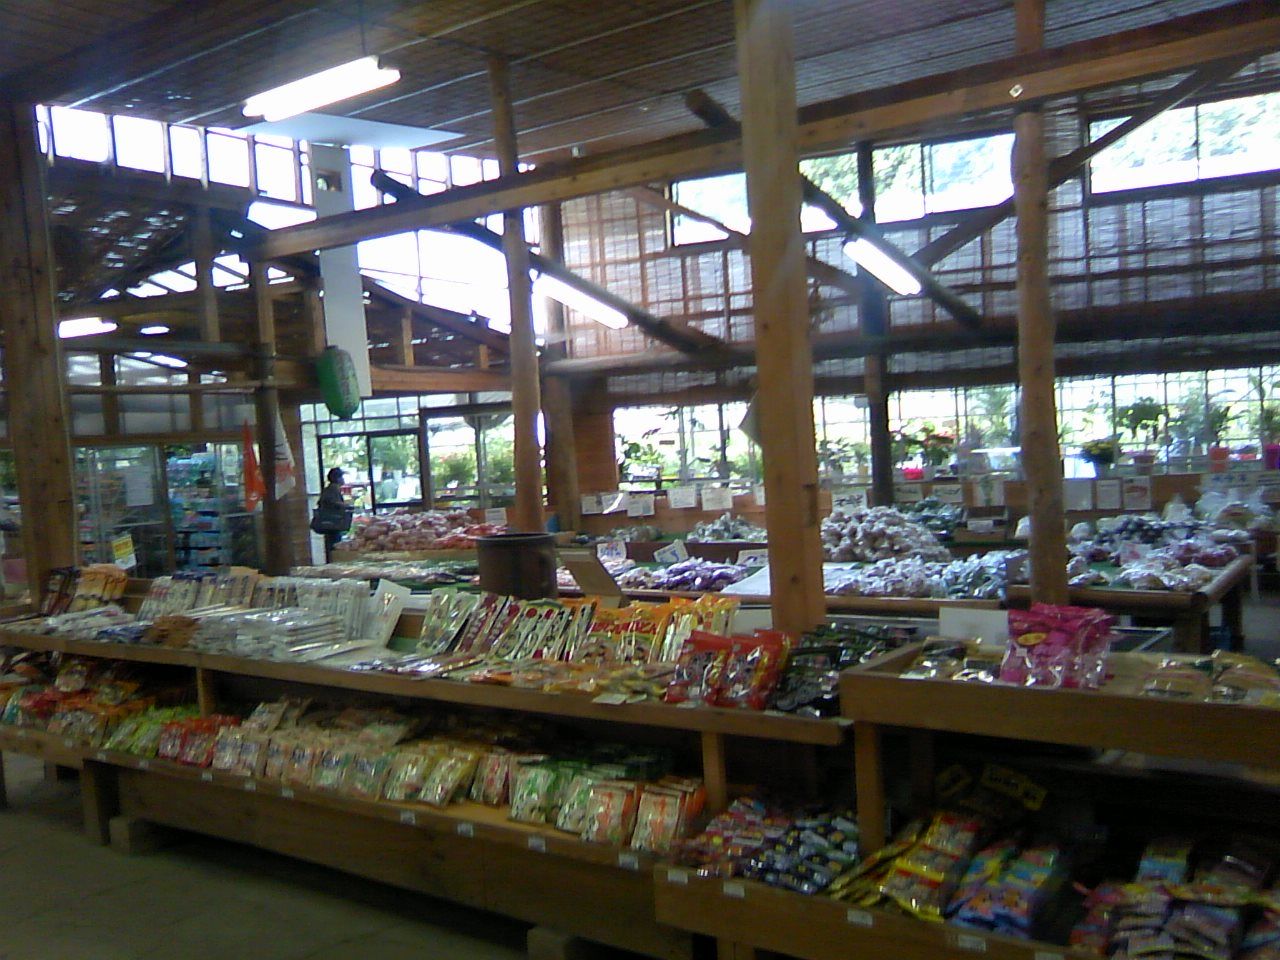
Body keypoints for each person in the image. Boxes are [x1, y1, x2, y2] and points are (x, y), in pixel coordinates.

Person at [317, 467, 349, 561]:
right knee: (335, 546)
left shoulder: (330, 489)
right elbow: (330, 502)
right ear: (337, 479)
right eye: (341, 477)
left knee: (332, 544)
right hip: (333, 523)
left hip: (330, 523)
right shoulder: (332, 490)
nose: (343, 479)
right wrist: (344, 505)